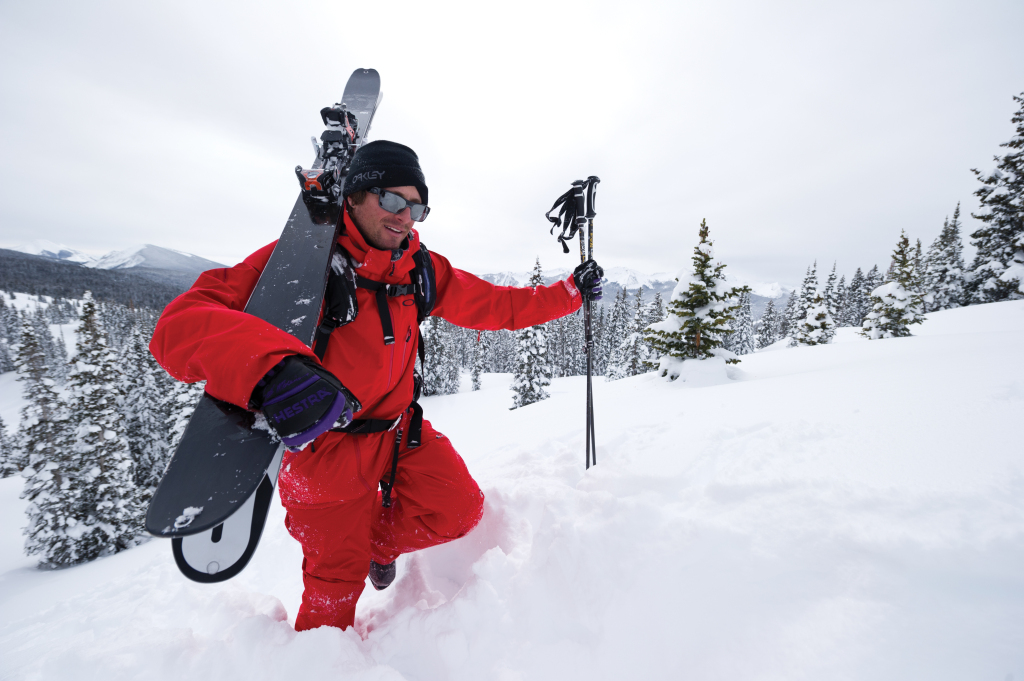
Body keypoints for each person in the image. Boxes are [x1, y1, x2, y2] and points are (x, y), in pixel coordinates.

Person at [150, 140, 604, 632]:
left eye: (417, 206)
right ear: (355, 195)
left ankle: (377, 547)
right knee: (331, 611)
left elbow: (500, 306)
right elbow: (178, 327)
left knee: (458, 510)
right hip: (325, 456)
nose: (405, 217)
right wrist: (270, 368)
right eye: (392, 200)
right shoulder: (299, 264)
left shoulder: (420, 268)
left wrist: (569, 293)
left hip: (399, 434)